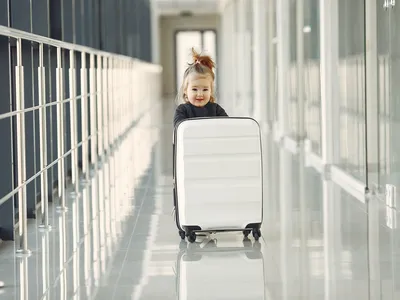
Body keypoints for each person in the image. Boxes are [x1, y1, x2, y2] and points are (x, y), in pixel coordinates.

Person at [173, 48, 228, 128]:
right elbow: (180, 129)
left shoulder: (216, 109)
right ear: (185, 90)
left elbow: (228, 125)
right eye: (194, 89)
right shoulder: (182, 110)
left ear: (211, 91)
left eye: (205, 89)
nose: (200, 94)